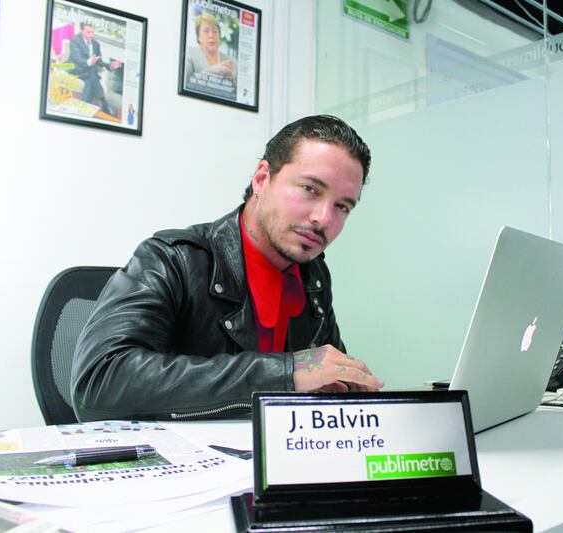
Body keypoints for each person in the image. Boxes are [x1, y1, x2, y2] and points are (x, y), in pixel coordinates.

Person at [71, 115, 384, 422]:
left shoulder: (313, 276)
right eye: (310, 189)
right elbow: (99, 381)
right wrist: (286, 373)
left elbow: (322, 377)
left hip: (264, 449)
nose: (324, 218)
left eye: (342, 206)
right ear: (262, 178)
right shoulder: (173, 258)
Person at [68, 23, 122, 117]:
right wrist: (89, 62)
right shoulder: (75, 40)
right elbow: (77, 59)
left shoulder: (96, 44)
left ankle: (83, 106)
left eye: (92, 32)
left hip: (88, 73)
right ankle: (104, 104)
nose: (91, 34)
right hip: (76, 68)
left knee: (90, 80)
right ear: (82, 31)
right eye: (88, 32)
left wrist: (110, 65)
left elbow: (99, 61)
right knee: (92, 70)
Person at [184, 12, 236, 88]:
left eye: (215, 31)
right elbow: (186, 84)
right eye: (206, 31)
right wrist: (211, 72)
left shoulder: (230, 61)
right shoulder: (190, 54)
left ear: (219, 37)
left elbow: (238, 91)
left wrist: (232, 80)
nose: (211, 35)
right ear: (198, 36)